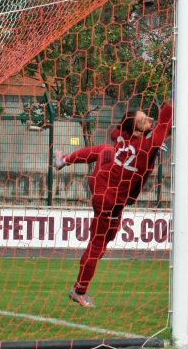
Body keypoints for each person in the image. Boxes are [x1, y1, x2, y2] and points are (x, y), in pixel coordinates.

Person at [54, 101, 172, 307]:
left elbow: (117, 132)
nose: (150, 120)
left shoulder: (122, 138)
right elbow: (164, 121)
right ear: (135, 132)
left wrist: (137, 131)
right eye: (144, 121)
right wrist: (171, 100)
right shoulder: (147, 144)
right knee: (97, 246)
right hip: (110, 198)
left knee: (103, 149)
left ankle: (64, 160)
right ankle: (79, 291)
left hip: (102, 181)